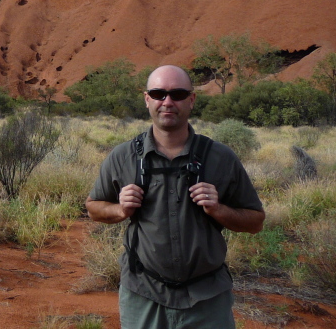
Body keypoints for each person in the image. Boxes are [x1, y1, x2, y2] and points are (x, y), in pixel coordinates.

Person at [85, 65, 265, 329]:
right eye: (158, 94)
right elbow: (93, 208)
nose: (167, 102)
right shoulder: (123, 157)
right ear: (147, 99)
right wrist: (120, 210)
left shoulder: (221, 157)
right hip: (143, 293)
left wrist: (218, 209)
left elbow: (255, 221)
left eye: (178, 94)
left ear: (191, 100)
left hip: (207, 297)